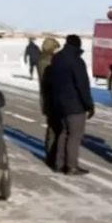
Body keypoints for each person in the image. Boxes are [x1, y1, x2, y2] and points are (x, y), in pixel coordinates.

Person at [43, 34, 94, 175]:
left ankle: (59, 164)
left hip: (59, 104)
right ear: (78, 45)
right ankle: (71, 166)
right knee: (74, 136)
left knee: (63, 133)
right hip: (75, 105)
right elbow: (82, 85)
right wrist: (89, 105)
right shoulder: (76, 61)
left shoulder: (57, 58)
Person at [38, 35, 61, 164]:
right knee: (53, 127)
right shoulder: (47, 61)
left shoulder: (43, 59)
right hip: (51, 98)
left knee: (52, 126)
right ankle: (51, 154)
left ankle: (51, 153)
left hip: (48, 97)